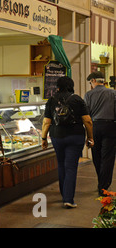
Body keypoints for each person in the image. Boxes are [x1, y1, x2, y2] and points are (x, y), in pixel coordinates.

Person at [41, 76, 93, 208]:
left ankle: (64, 194)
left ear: (57, 87)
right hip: (75, 136)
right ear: (71, 85)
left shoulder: (51, 100)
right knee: (71, 167)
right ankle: (68, 198)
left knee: (61, 164)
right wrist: (90, 137)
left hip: (57, 136)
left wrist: (43, 138)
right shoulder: (77, 99)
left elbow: (47, 122)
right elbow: (87, 121)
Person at [84, 71, 116, 196]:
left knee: (96, 156)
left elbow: (86, 114)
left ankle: (101, 182)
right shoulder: (113, 93)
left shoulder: (88, 95)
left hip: (95, 126)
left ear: (93, 81)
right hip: (111, 126)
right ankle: (103, 185)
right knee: (108, 157)